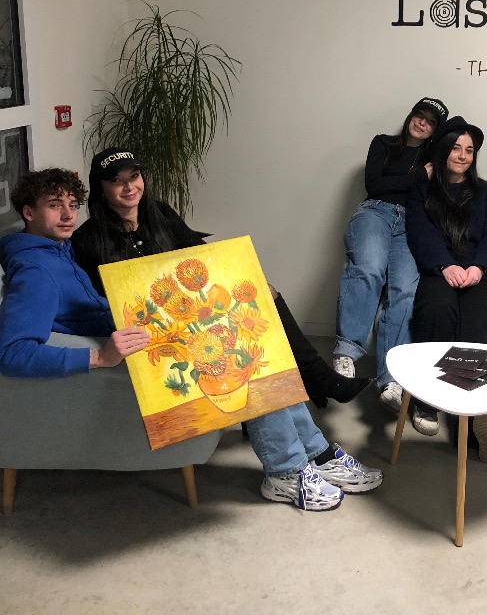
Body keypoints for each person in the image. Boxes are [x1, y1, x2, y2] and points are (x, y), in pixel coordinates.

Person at [0, 168, 382, 511]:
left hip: (139, 335)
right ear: (28, 213)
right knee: (239, 361)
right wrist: (98, 358)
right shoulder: (36, 271)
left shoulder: (56, 249)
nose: (68, 215)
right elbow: (12, 353)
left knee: (248, 336)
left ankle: (315, 452)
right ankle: (286, 471)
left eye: (71, 205)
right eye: (54, 206)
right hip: (125, 361)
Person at [71, 148, 370, 410]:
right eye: (117, 180)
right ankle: (307, 383)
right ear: (101, 189)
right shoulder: (87, 239)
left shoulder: (159, 213)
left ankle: (314, 374)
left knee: (265, 292)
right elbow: (100, 300)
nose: (129, 187)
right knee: (240, 323)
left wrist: (238, 273)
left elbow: (199, 254)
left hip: (189, 307)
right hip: (155, 325)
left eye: (134, 176)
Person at [405, 116, 487, 462]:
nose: (463, 155)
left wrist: (479, 268)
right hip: (440, 271)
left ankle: (484, 416)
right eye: (456, 148)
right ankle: (429, 400)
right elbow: (419, 232)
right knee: (436, 311)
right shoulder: (423, 191)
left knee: (477, 328)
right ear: (442, 150)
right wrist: (444, 265)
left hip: (484, 274)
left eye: (469, 150)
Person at [333, 97, 449, 412]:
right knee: (368, 268)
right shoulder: (383, 143)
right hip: (375, 212)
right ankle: (347, 353)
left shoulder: (435, 159)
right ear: (410, 116)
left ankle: (391, 378)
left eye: (430, 122)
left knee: (405, 290)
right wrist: (417, 177)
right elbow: (374, 185)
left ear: (435, 131)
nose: (422, 123)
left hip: (412, 222)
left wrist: (413, 180)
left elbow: (427, 196)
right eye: (419, 115)